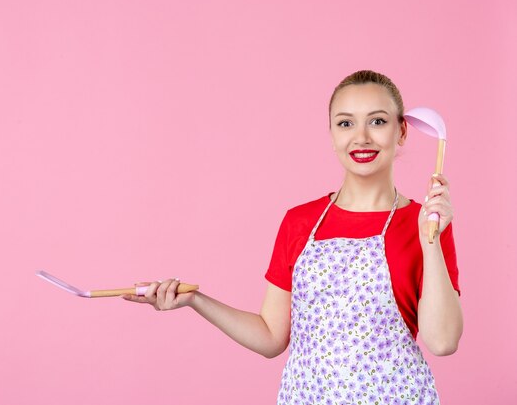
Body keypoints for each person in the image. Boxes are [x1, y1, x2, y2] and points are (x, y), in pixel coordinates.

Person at [122, 70, 463, 404]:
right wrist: (195, 300)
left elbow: (442, 341)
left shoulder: (424, 224)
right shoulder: (300, 222)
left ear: (401, 131)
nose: (361, 137)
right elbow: (272, 336)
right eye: (345, 123)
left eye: (377, 121)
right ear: (331, 134)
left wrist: (430, 239)